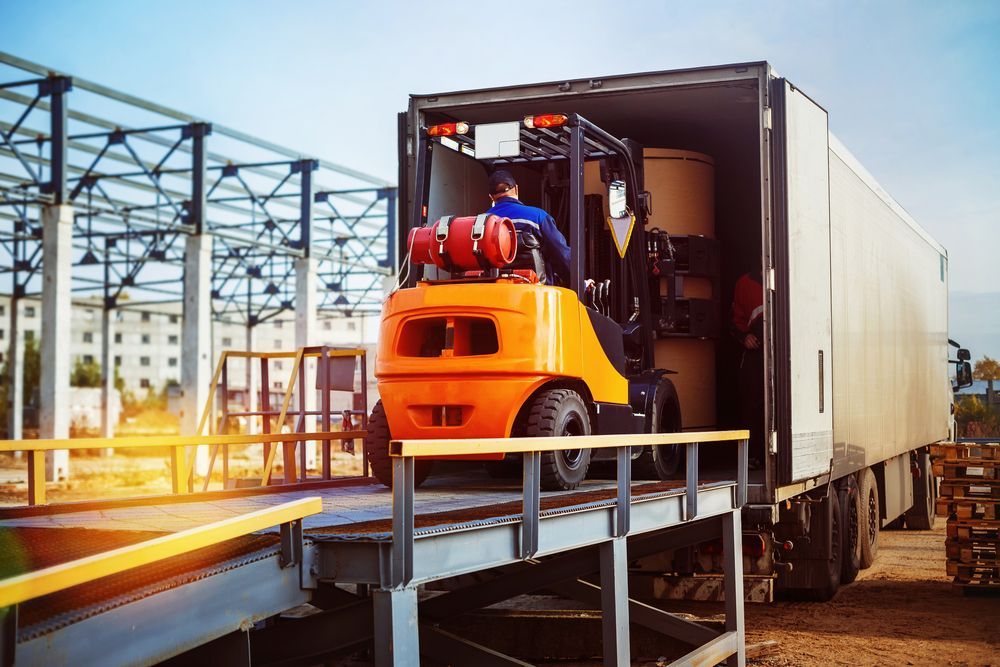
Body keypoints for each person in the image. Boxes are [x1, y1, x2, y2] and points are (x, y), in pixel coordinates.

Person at [485, 169, 571, 284]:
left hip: (497, 294)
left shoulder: (482, 224)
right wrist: (578, 282)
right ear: (516, 189)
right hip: (537, 294)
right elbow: (562, 257)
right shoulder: (538, 217)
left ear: (491, 197)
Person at [731, 269, 765, 468]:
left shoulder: (789, 272)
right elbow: (734, 321)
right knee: (752, 403)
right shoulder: (744, 283)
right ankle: (752, 457)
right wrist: (745, 337)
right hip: (756, 353)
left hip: (784, 352)